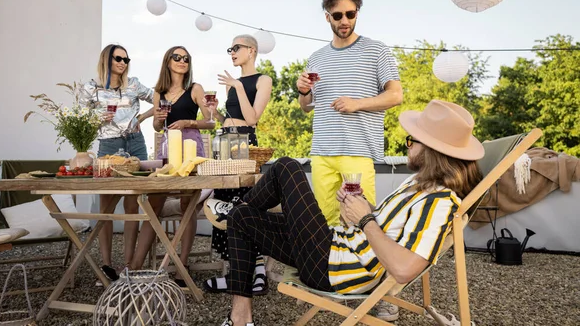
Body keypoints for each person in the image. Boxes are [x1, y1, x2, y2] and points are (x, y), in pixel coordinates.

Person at [217, 100, 485, 326]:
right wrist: (364, 207)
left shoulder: (439, 202)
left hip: (333, 266)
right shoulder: (418, 185)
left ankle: (229, 209)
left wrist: (364, 219)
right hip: (335, 247)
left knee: (286, 168)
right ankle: (240, 318)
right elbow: (388, 228)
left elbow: (404, 269)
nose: (407, 146)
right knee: (242, 218)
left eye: (411, 140)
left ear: (432, 149)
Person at [296, 0, 403, 227]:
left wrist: (357, 104)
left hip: (358, 150)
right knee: (325, 221)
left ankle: (363, 266)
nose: (345, 20)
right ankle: (332, 266)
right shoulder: (316, 57)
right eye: (338, 15)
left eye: (351, 14)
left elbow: (396, 95)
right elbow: (307, 107)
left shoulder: (377, 50)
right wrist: (303, 91)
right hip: (322, 152)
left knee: (360, 219)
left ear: (357, 13)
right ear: (327, 17)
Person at [128, 45, 215, 286]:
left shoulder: (195, 89)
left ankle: (181, 267)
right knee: (153, 202)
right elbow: (158, 128)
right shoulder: (160, 92)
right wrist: (156, 120)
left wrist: (189, 121)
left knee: (188, 203)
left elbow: (210, 122)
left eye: (186, 58)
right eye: (177, 57)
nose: (182, 61)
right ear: (168, 61)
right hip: (167, 152)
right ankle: (134, 266)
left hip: (191, 152)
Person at [202, 34, 273, 295]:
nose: (231, 52)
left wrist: (239, 87)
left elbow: (252, 118)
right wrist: (216, 112)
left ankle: (258, 270)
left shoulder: (263, 80)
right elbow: (229, 119)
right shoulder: (232, 85)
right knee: (224, 204)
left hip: (245, 143)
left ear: (251, 51)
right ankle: (237, 272)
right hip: (224, 142)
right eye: (229, 48)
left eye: (236, 48)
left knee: (243, 203)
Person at [79, 44, 154, 281]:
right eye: (118, 58)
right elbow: (79, 117)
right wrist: (96, 118)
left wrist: (141, 117)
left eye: (126, 59)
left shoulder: (133, 84)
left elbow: (158, 97)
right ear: (107, 59)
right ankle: (107, 264)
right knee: (107, 207)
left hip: (136, 143)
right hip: (109, 146)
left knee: (132, 205)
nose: (123, 62)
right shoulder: (91, 87)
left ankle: (129, 263)